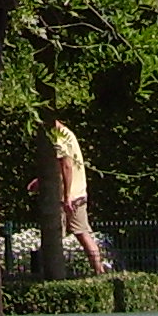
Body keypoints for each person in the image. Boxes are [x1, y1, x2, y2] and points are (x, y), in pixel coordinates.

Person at [49, 114, 109, 276]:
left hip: (70, 197)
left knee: (61, 236)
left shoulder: (58, 136)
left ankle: (96, 271)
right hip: (77, 193)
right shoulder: (67, 133)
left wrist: (67, 196)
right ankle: (99, 271)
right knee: (82, 234)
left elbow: (67, 166)